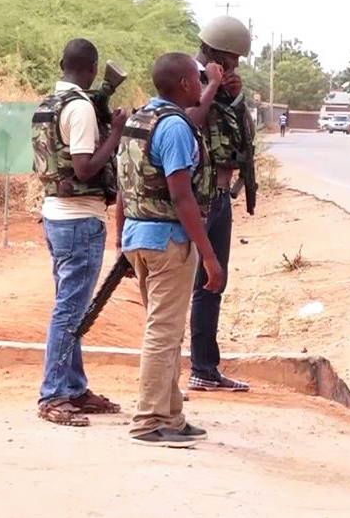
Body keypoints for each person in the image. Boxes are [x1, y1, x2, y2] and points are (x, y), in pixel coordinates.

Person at [116, 52, 223, 447]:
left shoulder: (140, 119)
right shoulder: (174, 127)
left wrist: (120, 238)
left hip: (139, 238)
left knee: (168, 328)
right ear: (183, 84)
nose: (200, 83)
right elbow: (181, 196)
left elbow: (127, 187)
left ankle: (171, 415)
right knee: (163, 332)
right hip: (168, 242)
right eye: (197, 79)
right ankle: (148, 421)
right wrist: (209, 256)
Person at [32, 38, 126, 427]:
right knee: (70, 312)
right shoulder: (80, 108)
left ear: (61, 64)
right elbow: (86, 169)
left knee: (71, 309)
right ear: (91, 70)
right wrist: (117, 133)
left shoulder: (46, 105)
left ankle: (73, 386)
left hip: (56, 214)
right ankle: (54, 395)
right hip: (78, 219)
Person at [186, 15, 253, 392]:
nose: (236, 66)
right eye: (233, 58)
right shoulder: (187, 78)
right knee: (190, 284)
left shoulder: (224, 88)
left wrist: (235, 96)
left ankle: (205, 368)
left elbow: (241, 136)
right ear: (215, 53)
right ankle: (192, 368)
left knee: (213, 282)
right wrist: (212, 86)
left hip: (219, 196)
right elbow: (189, 120)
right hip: (195, 197)